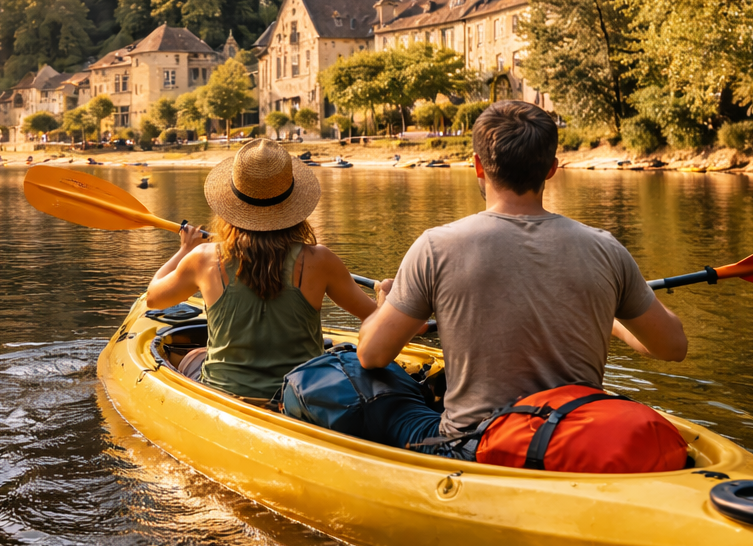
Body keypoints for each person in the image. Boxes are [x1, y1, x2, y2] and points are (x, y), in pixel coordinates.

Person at [356, 101, 688, 455]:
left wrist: (384, 306)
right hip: (567, 439)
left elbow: (372, 355)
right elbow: (671, 347)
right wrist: (608, 315)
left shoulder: (436, 246)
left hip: (474, 446)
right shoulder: (605, 248)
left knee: (360, 390)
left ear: (478, 166)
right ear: (551, 169)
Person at [146, 138, 377, 400]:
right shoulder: (321, 260)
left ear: (230, 204)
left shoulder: (202, 258)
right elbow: (377, 318)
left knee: (191, 357)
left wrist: (184, 251)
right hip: (301, 398)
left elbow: (154, 298)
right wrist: (387, 297)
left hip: (227, 395)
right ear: (293, 205)